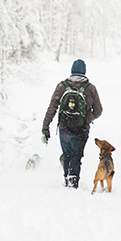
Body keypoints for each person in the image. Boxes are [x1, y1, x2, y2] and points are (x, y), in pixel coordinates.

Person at [42, 59, 103, 188]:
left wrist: (45, 127)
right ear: (84, 71)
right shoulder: (90, 88)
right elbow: (99, 110)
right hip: (81, 129)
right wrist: (88, 118)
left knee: (67, 154)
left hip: (64, 128)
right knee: (76, 155)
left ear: (72, 70)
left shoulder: (62, 86)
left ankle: (67, 179)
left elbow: (52, 107)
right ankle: (73, 180)